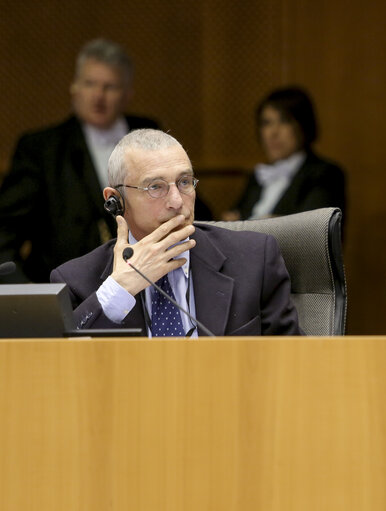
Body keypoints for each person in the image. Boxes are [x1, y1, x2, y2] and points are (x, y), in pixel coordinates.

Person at [50, 129, 301, 337]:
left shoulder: (254, 259)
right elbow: (60, 369)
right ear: (115, 200)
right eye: (155, 187)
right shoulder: (76, 281)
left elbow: (295, 363)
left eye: (184, 182)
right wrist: (119, 290)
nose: (176, 201)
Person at [0, 39, 211, 283]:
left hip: (149, 280)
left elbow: (190, 207)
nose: (98, 96)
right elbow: (5, 232)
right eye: (90, 84)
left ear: (127, 94)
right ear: (74, 87)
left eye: (109, 87)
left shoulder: (151, 132)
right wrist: (30, 298)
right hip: (65, 287)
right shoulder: (41, 148)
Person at [223, 86, 346, 221]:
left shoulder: (325, 174)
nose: (273, 132)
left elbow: (314, 229)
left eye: (284, 121)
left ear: (303, 125)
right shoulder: (258, 176)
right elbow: (234, 216)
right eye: (266, 123)